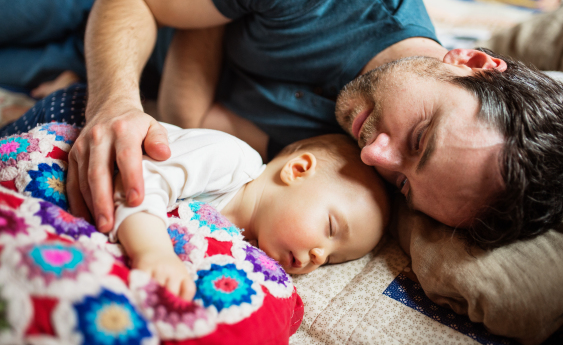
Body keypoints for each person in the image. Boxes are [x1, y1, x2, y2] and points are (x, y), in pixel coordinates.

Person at [70, 0, 563, 250]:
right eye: (419, 139)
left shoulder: (350, 166)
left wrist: (215, 17)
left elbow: (192, 124)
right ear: (472, 61)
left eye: (405, 183)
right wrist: (114, 102)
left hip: (87, 57)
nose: (375, 158)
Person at [111, 128, 389, 300]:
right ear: (298, 170)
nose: (319, 256)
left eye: (331, 259)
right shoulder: (230, 159)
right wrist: (152, 251)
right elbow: (141, 179)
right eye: (330, 228)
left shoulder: (244, 250)